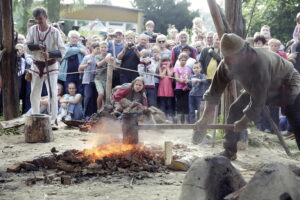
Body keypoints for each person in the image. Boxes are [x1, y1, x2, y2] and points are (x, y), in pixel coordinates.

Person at [196, 33, 300, 160]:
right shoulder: (225, 65)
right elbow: (213, 93)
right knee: (235, 110)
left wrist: (244, 121)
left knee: (296, 118)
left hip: (287, 82)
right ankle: (230, 151)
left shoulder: (260, 64)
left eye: (231, 57)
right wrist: (205, 118)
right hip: (257, 89)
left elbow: (258, 102)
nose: (228, 61)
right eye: (225, 57)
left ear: (243, 53)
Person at [24, 7, 66, 125]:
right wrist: (37, 46)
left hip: (51, 66)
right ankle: (35, 117)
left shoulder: (54, 32)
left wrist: (50, 54)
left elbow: (62, 50)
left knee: (52, 92)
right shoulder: (33, 30)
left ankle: (53, 120)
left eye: (41, 19)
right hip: (37, 66)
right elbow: (27, 46)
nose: (39, 21)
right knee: (34, 93)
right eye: (37, 19)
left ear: (46, 17)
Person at [59, 30, 87, 94]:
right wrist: (79, 50)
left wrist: (81, 50)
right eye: (73, 37)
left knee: (79, 91)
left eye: (76, 38)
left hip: (79, 74)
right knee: (67, 91)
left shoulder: (83, 47)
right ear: (69, 38)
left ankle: (78, 104)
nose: (74, 39)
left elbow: (86, 55)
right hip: (67, 74)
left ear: (78, 39)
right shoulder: (65, 46)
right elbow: (66, 52)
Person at [79, 42, 100, 119]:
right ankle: (84, 114)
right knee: (88, 96)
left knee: (95, 97)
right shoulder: (87, 57)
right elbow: (80, 68)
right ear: (93, 49)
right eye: (97, 49)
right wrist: (87, 65)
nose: (98, 50)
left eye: (99, 49)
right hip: (87, 80)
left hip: (97, 80)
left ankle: (94, 115)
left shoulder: (100, 58)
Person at [94, 41, 114, 111]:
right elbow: (98, 64)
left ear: (107, 48)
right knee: (101, 93)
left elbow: (114, 67)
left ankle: (106, 111)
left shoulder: (110, 55)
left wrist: (110, 58)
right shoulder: (97, 56)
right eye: (102, 47)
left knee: (108, 97)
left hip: (107, 79)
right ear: (99, 48)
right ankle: (98, 110)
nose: (103, 49)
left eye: (105, 47)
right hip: (98, 79)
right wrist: (106, 59)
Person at [174, 52, 192, 124]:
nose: (183, 61)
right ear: (179, 60)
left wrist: (187, 84)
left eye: (185, 60)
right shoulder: (177, 68)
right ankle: (179, 120)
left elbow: (190, 78)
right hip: (179, 88)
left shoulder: (189, 69)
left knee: (186, 103)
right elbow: (176, 78)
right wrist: (182, 81)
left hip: (186, 88)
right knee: (179, 103)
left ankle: (186, 120)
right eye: (182, 60)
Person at [158, 56, 174, 121]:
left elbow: (170, 75)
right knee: (162, 104)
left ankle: (169, 117)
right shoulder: (160, 68)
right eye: (164, 62)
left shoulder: (172, 68)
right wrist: (164, 69)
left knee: (169, 104)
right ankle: (163, 118)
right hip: (162, 89)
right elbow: (161, 76)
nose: (165, 64)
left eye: (167, 62)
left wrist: (167, 68)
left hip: (169, 89)